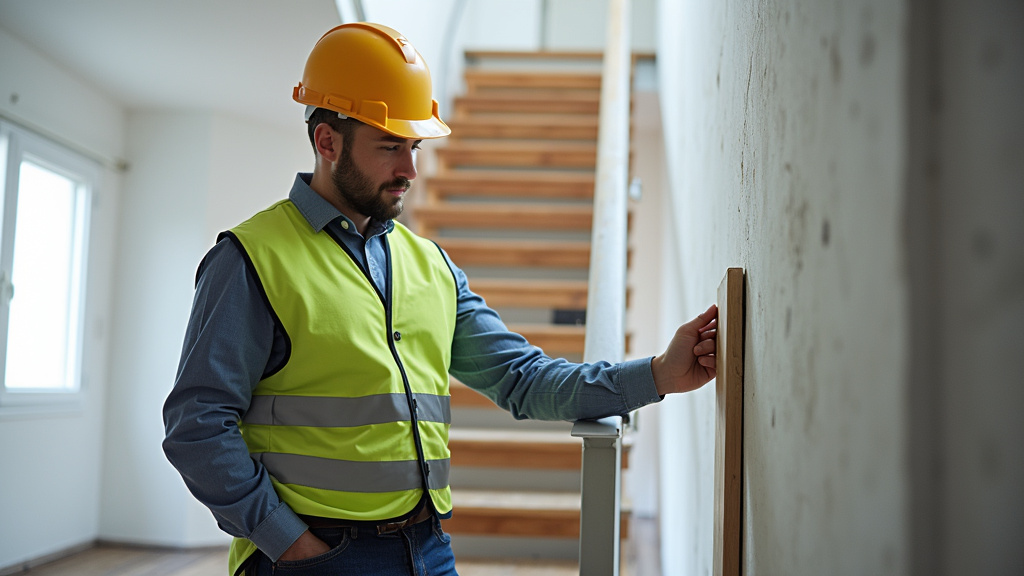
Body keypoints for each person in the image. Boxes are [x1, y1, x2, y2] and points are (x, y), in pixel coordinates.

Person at [162, 22, 718, 576]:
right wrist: (288, 541)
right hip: (313, 557)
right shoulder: (250, 260)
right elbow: (197, 423)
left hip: (427, 549)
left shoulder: (431, 266)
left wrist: (658, 375)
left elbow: (522, 379)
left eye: (415, 147)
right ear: (327, 142)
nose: (410, 170)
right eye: (390, 147)